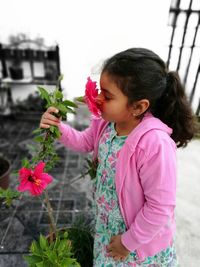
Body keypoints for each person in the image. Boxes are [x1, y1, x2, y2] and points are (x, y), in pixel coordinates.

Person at [40, 48, 195, 266]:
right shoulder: (106, 123)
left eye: (107, 95)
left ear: (138, 106)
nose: (98, 98)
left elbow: (160, 208)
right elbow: (85, 141)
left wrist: (127, 242)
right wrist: (58, 128)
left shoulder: (154, 144)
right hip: (108, 228)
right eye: (100, 90)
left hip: (137, 244)